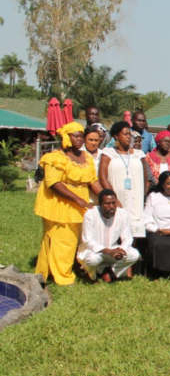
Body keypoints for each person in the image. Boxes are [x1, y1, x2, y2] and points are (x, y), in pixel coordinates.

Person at [34, 122, 102, 285]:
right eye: (76, 136)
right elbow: (54, 183)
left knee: (75, 238)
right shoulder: (55, 157)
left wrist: (107, 196)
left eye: (81, 136)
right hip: (60, 203)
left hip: (79, 204)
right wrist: (79, 200)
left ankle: (64, 269)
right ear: (66, 137)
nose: (80, 139)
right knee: (62, 239)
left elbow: (92, 180)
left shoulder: (86, 157)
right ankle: (62, 276)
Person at [100, 121, 149, 241]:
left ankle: (132, 257)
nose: (129, 137)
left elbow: (146, 177)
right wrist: (113, 199)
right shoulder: (108, 153)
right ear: (116, 136)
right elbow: (102, 177)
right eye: (125, 134)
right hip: (117, 197)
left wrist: (142, 195)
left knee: (134, 231)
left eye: (130, 134)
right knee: (116, 228)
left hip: (136, 197)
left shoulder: (139, 154)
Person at [77, 189, 140, 282]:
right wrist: (108, 251)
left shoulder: (122, 214)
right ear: (100, 204)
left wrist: (122, 249)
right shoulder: (90, 214)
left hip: (113, 250)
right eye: (107, 203)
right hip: (93, 251)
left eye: (114, 203)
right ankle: (92, 276)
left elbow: (127, 237)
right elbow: (88, 240)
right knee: (92, 259)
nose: (111, 206)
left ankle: (111, 272)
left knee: (134, 254)